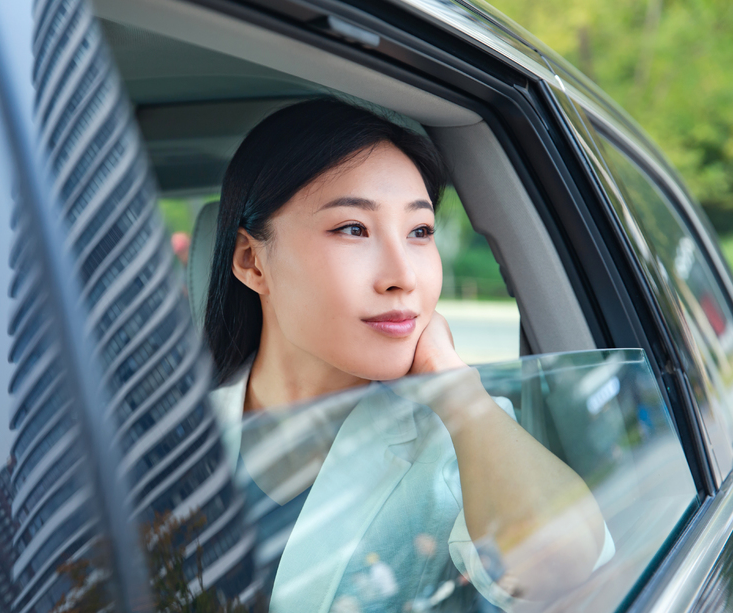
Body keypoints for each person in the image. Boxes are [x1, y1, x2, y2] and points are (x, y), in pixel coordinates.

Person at [202, 97, 612, 612]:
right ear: (251, 260)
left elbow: (564, 569)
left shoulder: (460, 442)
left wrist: (456, 389)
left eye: (420, 232)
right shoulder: (161, 436)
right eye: (353, 228)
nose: (404, 276)